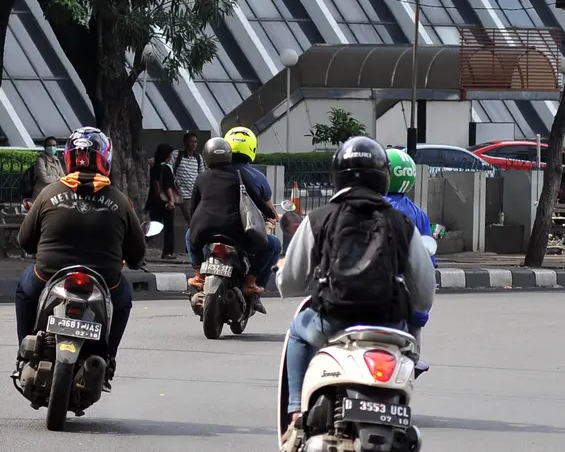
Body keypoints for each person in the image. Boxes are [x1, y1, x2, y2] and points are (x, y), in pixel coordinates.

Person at [276, 136, 436, 442]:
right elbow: (424, 293)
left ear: (338, 175)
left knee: (297, 332)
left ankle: (296, 413)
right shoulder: (403, 222)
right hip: (390, 325)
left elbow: (292, 282)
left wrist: (286, 275)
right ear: (383, 175)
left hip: (334, 319)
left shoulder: (320, 218)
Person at [15, 127, 147, 391]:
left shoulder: (49, 193)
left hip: (48, 276)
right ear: (105, 159)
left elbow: (24, 241)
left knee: (25, 290)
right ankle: (108, 359)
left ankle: (24, 351)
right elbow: (137, 253)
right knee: (123, 301)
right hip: (104, 281)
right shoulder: (120, 201)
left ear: (68, 158)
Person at [185, 129, 282, 306]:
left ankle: (198, 275)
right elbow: (260, 203)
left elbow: (193, 208)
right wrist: (271, 215)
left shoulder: (201, 177)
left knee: (189, 234)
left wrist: (196, 227)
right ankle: (250, 283)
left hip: (205, 231)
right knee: (273, 244)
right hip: (237, 232)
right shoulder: (245, 176)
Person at [384, 148, 434, 374]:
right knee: (415, 329)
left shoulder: (364, 206)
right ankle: (412, 360)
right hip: (406, 296)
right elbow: (426, 264)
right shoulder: (417, 214)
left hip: (360, 294)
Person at [147, 143, 178, 259]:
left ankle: (140, 245)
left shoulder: (154, 167)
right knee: (169, 227)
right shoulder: (167, 168)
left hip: (155, 202)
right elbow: (168, 186)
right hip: (165, 202)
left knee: (153, 227)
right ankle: (167, 252)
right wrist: (171, 200)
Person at [21, 136, 66, 209]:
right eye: (49, 145)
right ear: (45, 147)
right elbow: (44, 178)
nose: (52, 148)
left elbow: (63, 176)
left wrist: (58, 178)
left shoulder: (56, 160)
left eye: (54, 145)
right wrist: (58, 178)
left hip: (55, 193)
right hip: (42, 193)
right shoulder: (40, 160)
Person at [170, 132, 204, 225]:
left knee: (192, 221)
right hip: (179, 194)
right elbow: (169, 169)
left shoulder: (198, 158)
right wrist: (174, 181)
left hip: (191, 194)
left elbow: (202, 175)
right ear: (185, 143)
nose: (193, 144)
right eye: (191, 142)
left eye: (195, 142)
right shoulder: (176, 155)